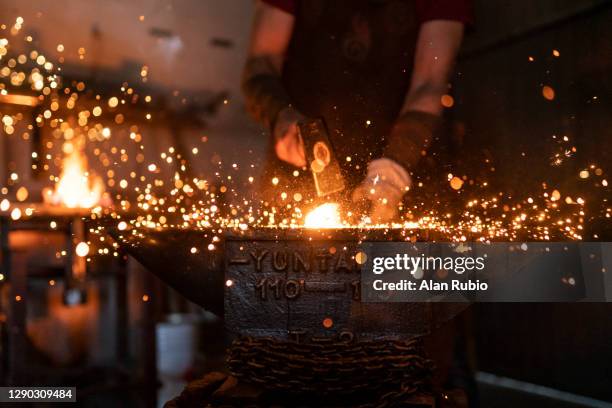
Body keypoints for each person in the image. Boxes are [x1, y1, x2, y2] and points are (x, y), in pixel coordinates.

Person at [243, 0, 471, 223]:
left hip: (405, 167)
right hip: (298, 173)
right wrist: (281, 114)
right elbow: (261, 62)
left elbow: (430, 83)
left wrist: (392, 172)